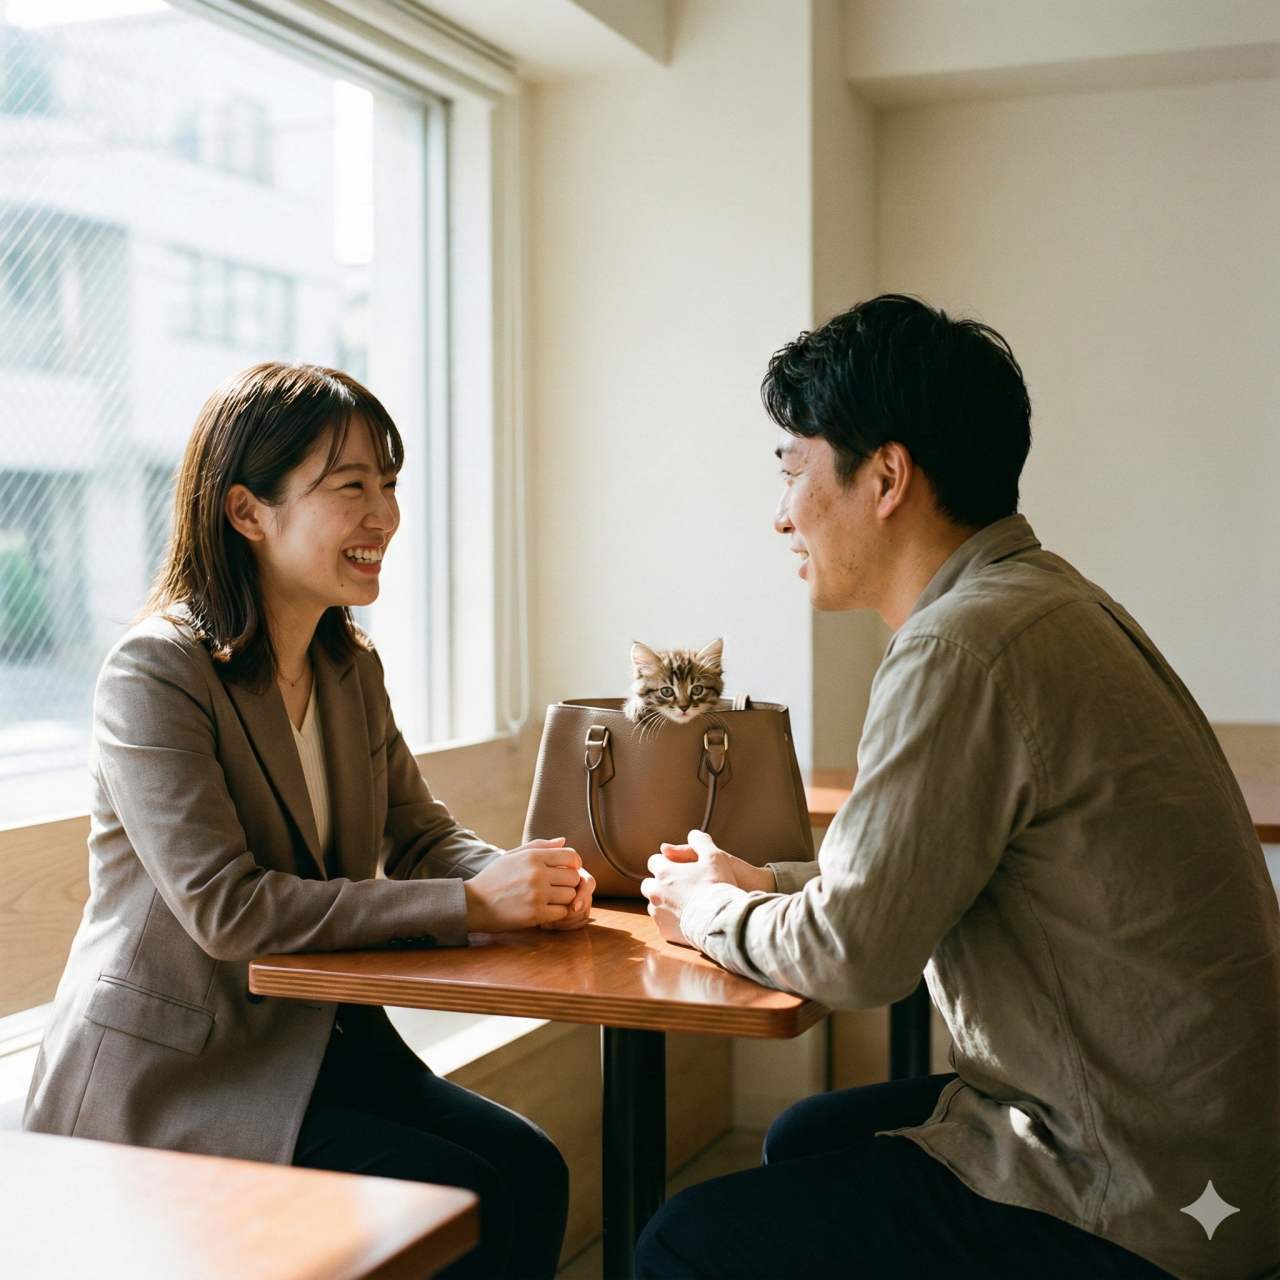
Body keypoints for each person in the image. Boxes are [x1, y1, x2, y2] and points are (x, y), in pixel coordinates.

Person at [637, 295, 1279, 1280]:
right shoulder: (1046, 599)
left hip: (1130, 1196)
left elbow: (854, 953)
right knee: (808, 1133)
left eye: (793, 470)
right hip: (1214, 1168)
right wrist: (764, 882)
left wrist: (704, 906)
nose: (778, 513)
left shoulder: (959, 643)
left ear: (886, 476)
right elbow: (934, 865)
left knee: (681, 1240)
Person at [24, 362, 595, 1280]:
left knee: (529, 1171)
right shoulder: (156, 675)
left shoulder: (346, 666)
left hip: (316, 1045)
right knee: (468, 1203)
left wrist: (527, 878)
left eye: (390, 485)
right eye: (351, 488)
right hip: (178, 1082)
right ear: (247, 512)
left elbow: (417, 835)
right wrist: (472, 906)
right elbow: (226, 910)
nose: (386, 517)